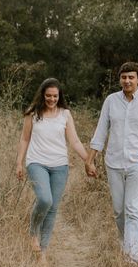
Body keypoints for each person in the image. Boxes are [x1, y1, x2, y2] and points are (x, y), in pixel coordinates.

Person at [86, 62, 138, 264]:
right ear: (119, 79)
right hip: (114, 163)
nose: (127, 81)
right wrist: (89, 159)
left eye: (131, 77)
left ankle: (132, 260)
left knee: (133, 211)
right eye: (124, 77)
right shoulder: (111, 101)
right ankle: (125, 246)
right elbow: (101, 131)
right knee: (119, 212)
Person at [16, 78, 89, 256]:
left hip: (60, 166)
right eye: (48, 95)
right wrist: (19, 163)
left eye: (55, 96)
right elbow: (24, 139)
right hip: (37, 163)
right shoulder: (32, 113)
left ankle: (42, 251)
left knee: (53, 208)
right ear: (42, 95)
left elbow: (75, 141)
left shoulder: (65, 114)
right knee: (45, 200)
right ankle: (33, 233)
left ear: (59, 96)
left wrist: (88, 160)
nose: (51, 99)